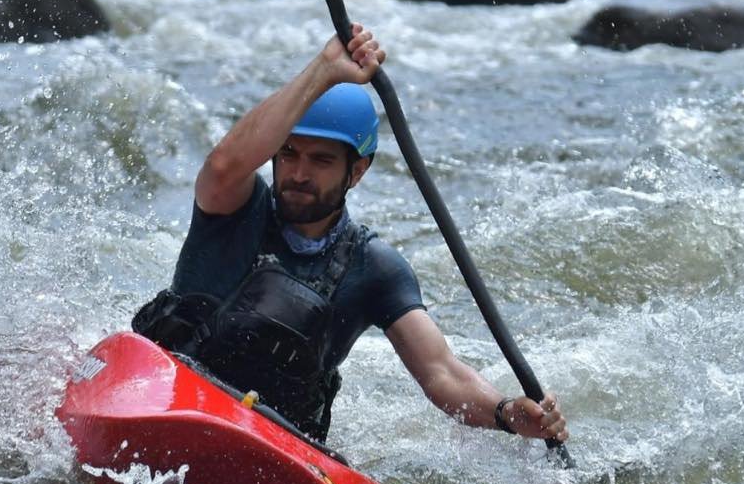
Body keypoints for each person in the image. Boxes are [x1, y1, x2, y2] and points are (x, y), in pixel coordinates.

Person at [133, 24, 569, 448]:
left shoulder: (373, 267)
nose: (299, 174)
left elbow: (441, 372)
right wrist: (324, 68)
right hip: (169, 398)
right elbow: (226, 162)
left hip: (270, 438)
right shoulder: (232, 207)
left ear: (357, 171)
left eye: (321, 160)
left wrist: (507, 413)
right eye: (288, 154)